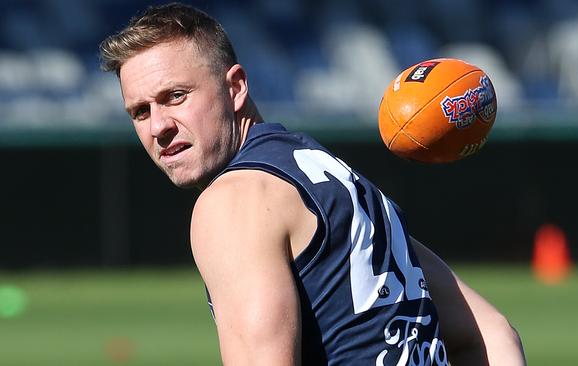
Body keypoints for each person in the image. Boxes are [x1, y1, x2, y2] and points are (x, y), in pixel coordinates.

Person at [100, 3, 526, 365]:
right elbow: (494, 335)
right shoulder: (341, 184)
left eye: (176, 96)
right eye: (139, 111)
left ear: (235, 88)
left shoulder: (234, 200)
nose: (159, 126)